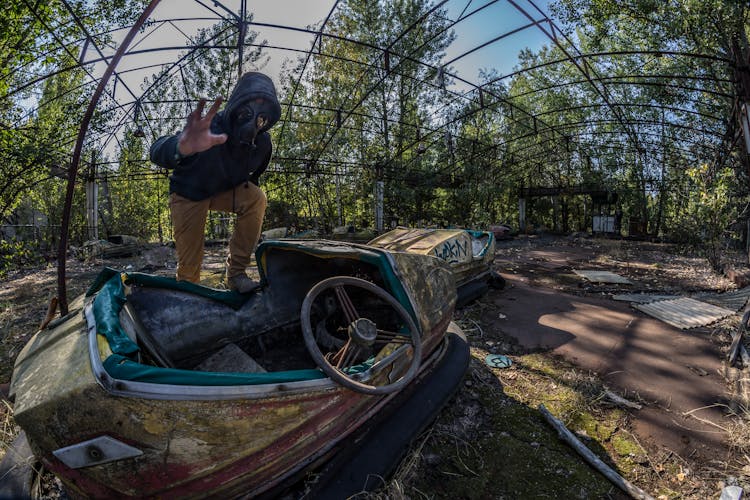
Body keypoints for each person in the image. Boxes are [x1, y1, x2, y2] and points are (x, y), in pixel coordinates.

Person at [150, 72, 281, 292]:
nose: (254, 120)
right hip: (188, 192)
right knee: (189, 268)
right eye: (247, 111)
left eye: (261, 116)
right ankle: (189, 293)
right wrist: (180, 147)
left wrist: (245, 181)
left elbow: (255, 172)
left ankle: (237, 275)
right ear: (237, 105)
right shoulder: (212, 127)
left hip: (223, 189)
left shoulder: (263, 144)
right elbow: (156, 150)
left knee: (256, 198)